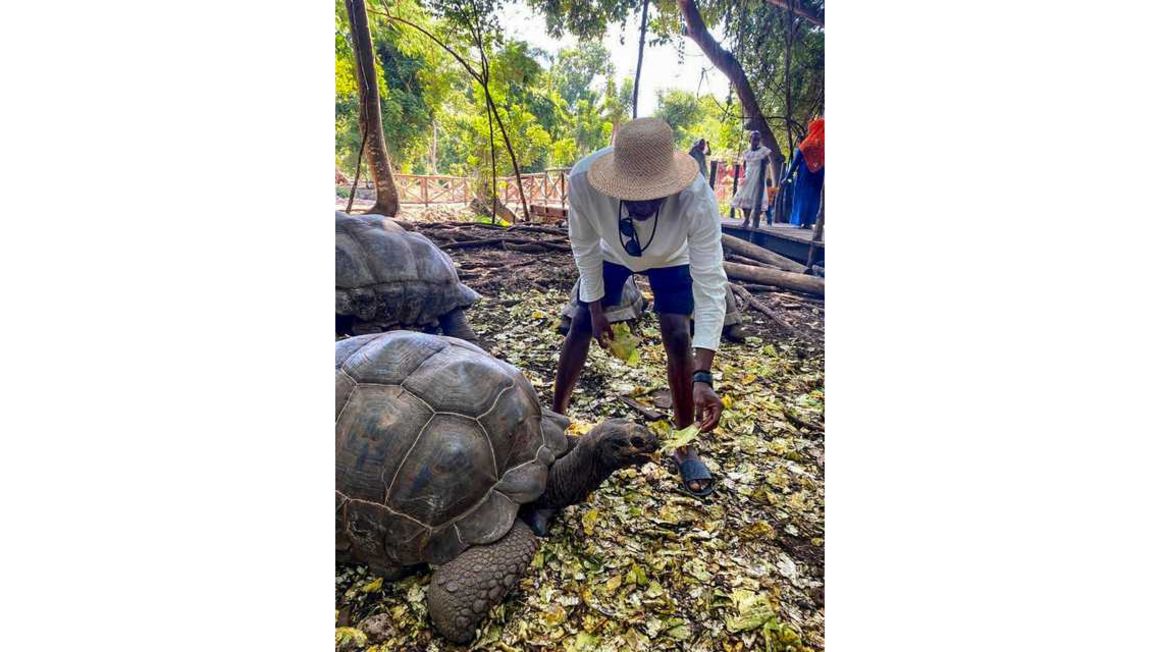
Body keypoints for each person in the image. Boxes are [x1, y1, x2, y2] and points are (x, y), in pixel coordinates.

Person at [553, 117, 726, 500]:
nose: (644, 202)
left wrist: (704, 377)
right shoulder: (583, 180)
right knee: (579, 321)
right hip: (611, 254)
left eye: (654, 194)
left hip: (673, 256)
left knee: (678, 335)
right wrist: (597, 307)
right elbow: (583, 247)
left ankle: (684, 443)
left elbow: (711, 282)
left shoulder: (696, 196)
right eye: (634, 194)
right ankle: (555, 417)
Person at [782, 117, 824, 229]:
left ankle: (799, 220)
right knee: (814, 198)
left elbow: (796, 160)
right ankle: (809, 222)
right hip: (819, 175)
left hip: (805, 175)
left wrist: (788, 176)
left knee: (802, 196)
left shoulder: (807, 143)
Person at [730, 130, 776, 230]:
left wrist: (767, 177)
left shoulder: (764, 151)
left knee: (756, 199)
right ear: (750, 140)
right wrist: (744, 176)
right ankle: (746, 219)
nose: (756, 141)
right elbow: (745, 164)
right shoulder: (746, 152)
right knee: (742, 197)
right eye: (754, 139)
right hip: (748, 176)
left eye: (758, 139)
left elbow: (767, 163)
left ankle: (753, 220)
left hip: (758, 177)